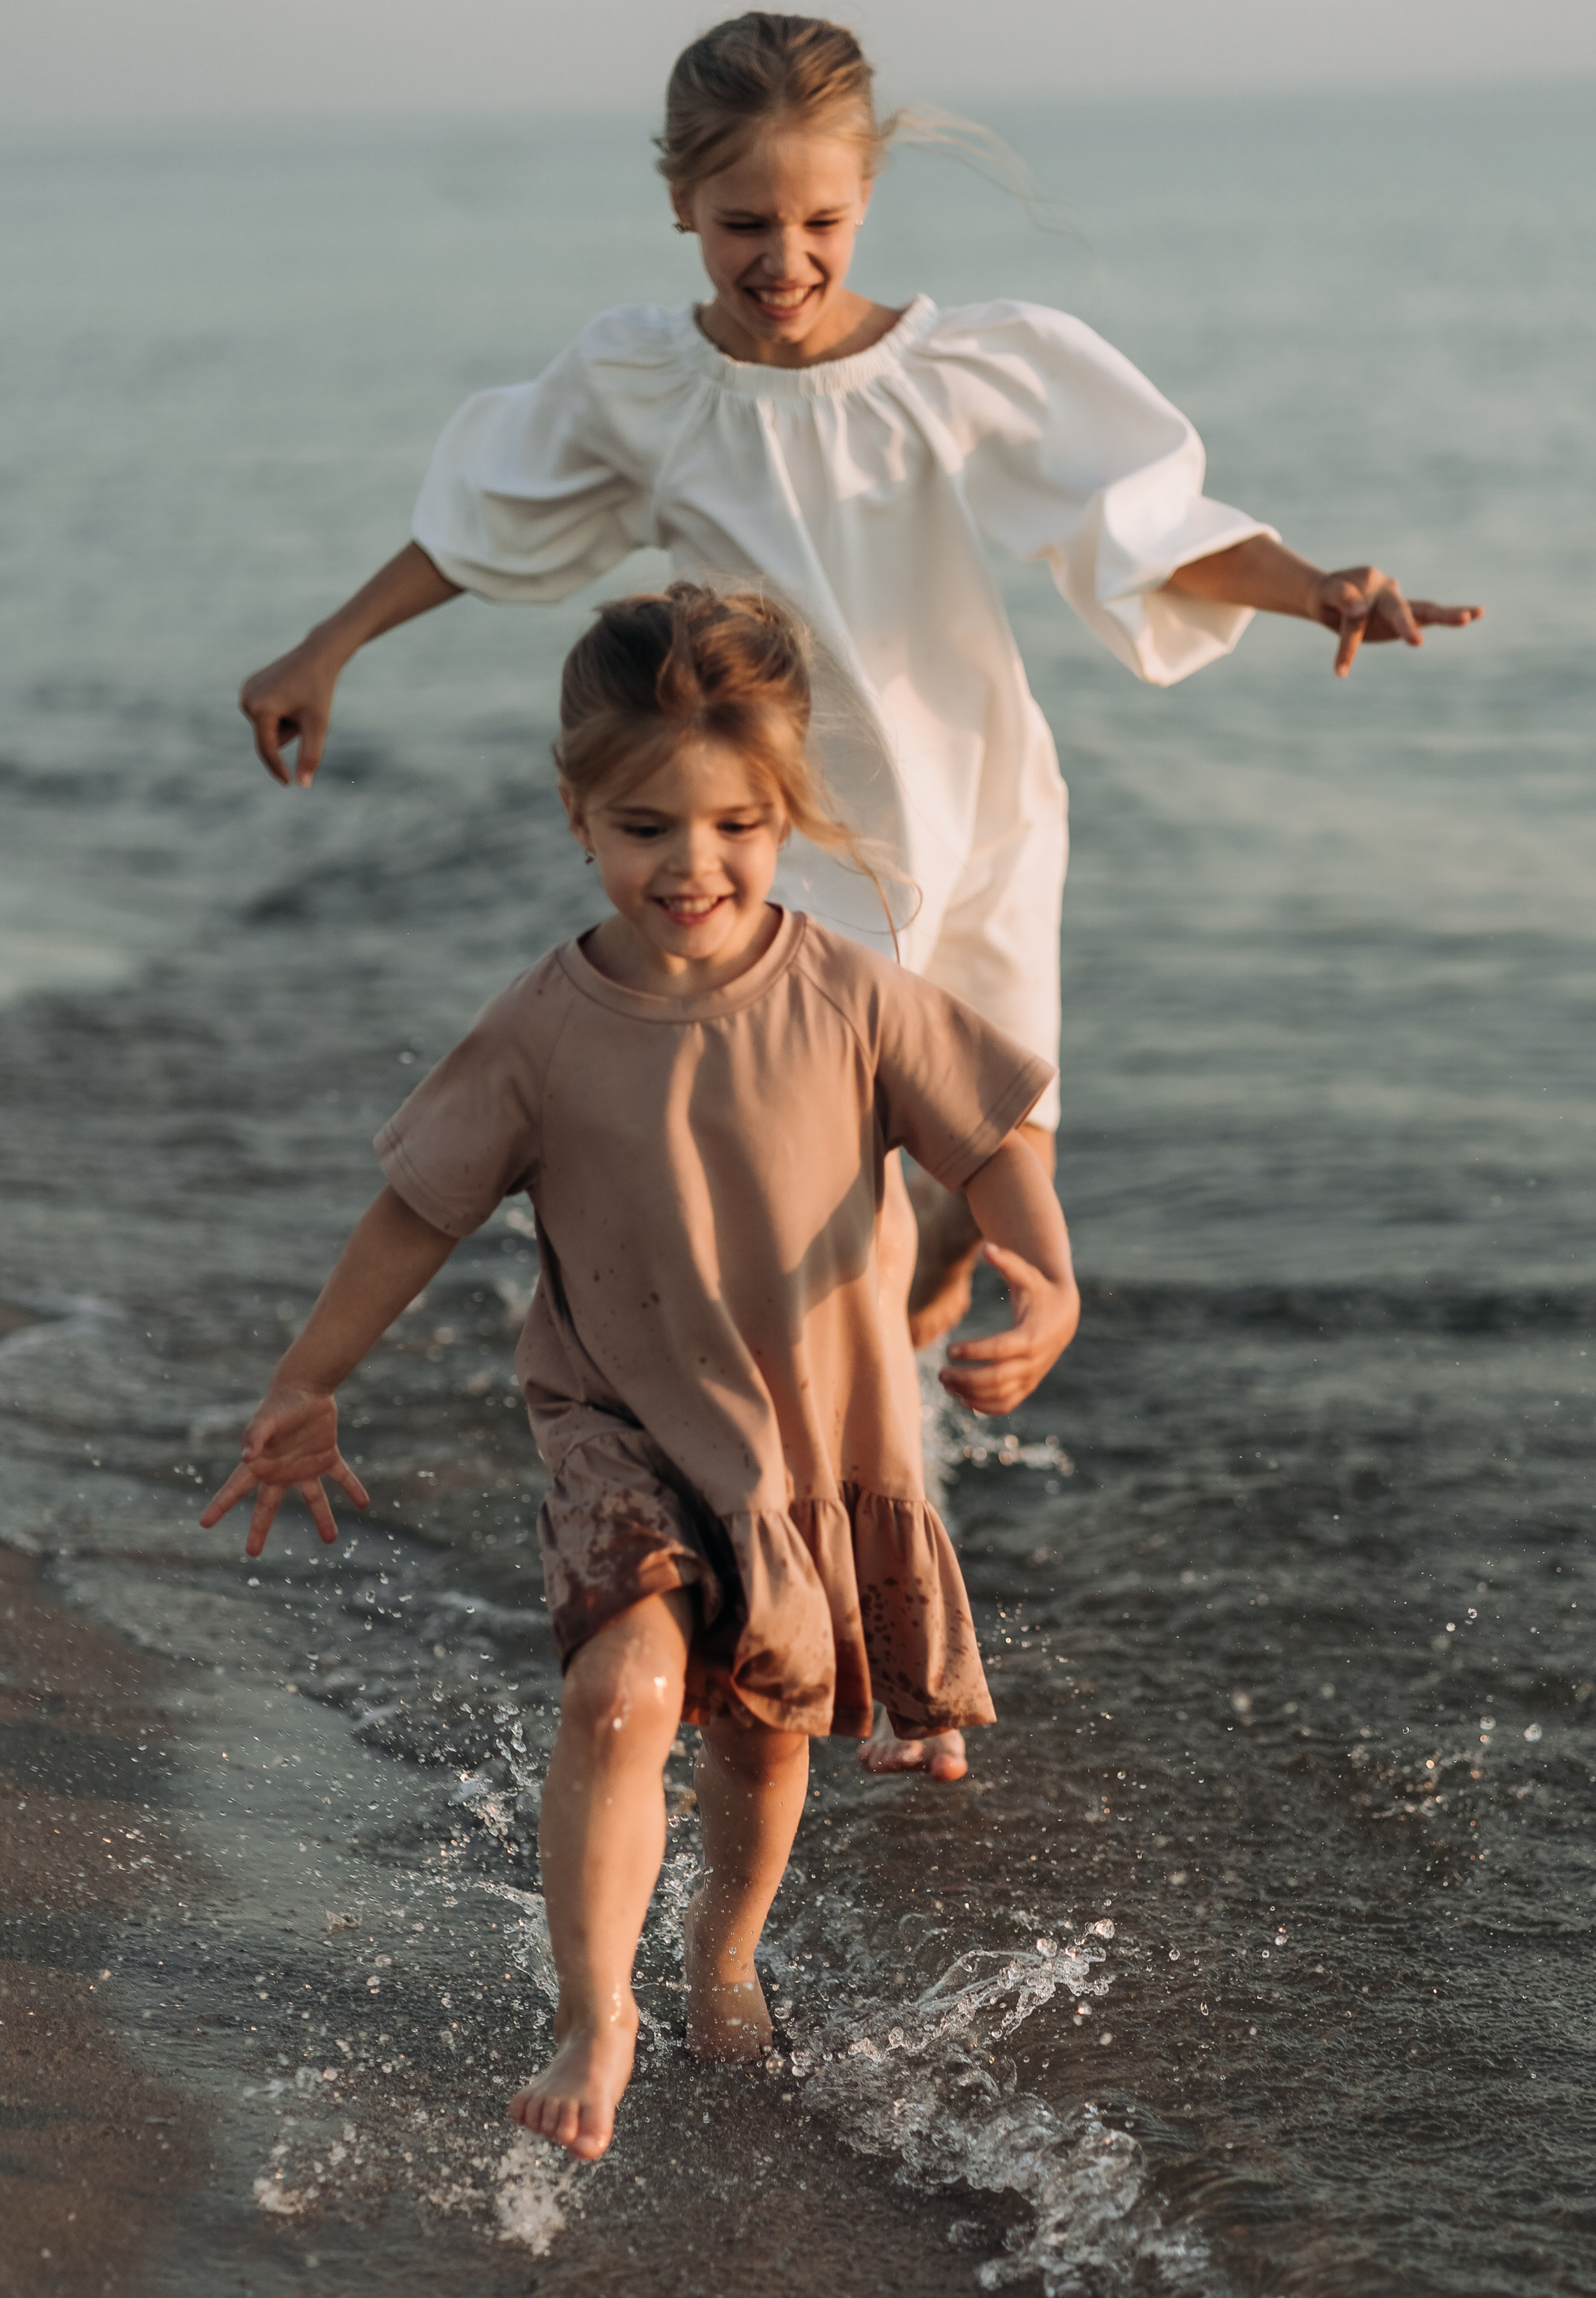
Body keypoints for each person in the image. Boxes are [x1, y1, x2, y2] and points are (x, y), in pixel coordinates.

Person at [236, 9, 1478, 1772]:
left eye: (819, 224)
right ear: (681, 210)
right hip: (780, 849)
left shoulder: (960, 370)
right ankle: (873, 1627)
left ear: (866, 197)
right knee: (834, 1212)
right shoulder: (641, 385)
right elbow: (482, 528)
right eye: (746, 225)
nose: (785, 261)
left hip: (972, 823)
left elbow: (1140, 524)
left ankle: (905, 1417)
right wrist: (324, 647)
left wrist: (1321, 589)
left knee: (964, 1198)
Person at [202, 582, 1079, 2165]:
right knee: (624, 1691)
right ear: (575, 815)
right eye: (645, 827)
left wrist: (1042, 1270)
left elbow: (993, 1136)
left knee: (756, 1736)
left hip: (800, 1439)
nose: (692, 866)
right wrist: (305, 1380)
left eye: (737, 825)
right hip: (613, 1416)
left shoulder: (851, 996)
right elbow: (418, 1210)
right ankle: (592, 2008)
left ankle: (721, 1959)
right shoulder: (543, 1027)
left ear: (788, 808)